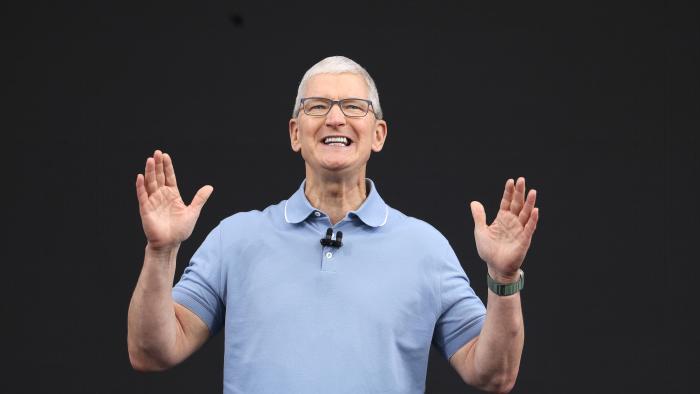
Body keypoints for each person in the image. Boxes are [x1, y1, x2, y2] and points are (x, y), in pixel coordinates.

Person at [127, 56, 539, 393]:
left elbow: (492, 375)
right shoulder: (235, 239)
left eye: (354, 107)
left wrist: (503, 279)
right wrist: (161, 253)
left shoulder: (425, 248)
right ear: (295, 133)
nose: (336, 119)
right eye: (317, 106)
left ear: (378, 134)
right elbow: (152, 352)